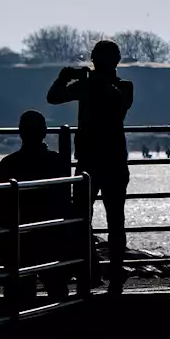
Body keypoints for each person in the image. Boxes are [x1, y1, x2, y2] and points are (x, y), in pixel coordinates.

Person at [47, 40, 133, 295]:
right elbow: (54, 97)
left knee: (103, 219)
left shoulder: (120, 87)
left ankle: (100, 272)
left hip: (96, 161)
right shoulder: (101, 85)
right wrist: (65, 78)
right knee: (98, 219)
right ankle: (97, 271)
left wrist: (77, 81)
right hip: (106, 161)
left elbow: (118, 104)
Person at [0, 110, 73, 303]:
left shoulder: (8, 164)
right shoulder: (57, 163)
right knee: (56, 288)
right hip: (51, 240)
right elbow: (65, 204)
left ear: (20, 133)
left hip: (18, 241)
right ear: (44, 133)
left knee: (17, 293)